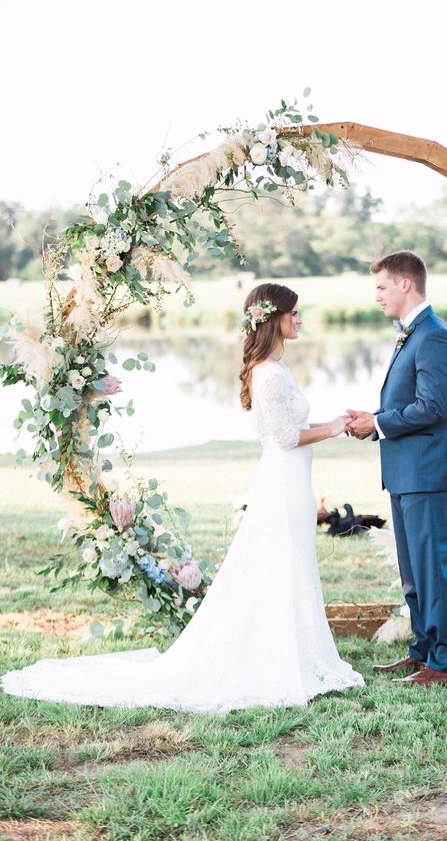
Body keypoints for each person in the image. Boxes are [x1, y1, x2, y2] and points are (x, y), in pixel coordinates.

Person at [2, 283, 364, 713]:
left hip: (289, 482)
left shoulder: (271, 367)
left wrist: (334, 421)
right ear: (274, 318)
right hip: (282, 484)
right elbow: (287, 437)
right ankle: (278, 656)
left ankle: (294, 648)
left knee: (288, 566)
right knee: (279, 564)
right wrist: (336, 427)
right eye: (295, 313)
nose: (300, 319)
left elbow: (290, 427)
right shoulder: (267, 373)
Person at [347, 251, 447, 685]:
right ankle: (424, 650)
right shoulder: (412, 334)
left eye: (381, 287)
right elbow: (409, 404)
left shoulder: (433, 336)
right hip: (405, 473)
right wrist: (373, 418)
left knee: (433, 569)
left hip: (428, 474)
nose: (376, 296)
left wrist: (377, 423)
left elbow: (432, 407)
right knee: (414, 573)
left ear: (404, 285)